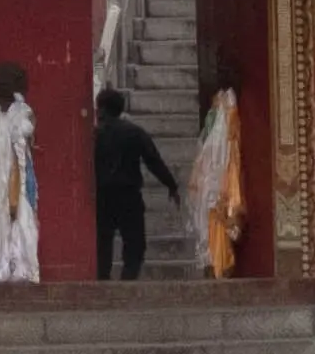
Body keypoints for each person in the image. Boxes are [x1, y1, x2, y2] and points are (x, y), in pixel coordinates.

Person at [87, 81, 180, 281]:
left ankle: (103, 282)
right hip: (129, 196)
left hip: (102, 196)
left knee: (103, 243)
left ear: (101, 109)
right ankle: (128, 281)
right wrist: (171, 185)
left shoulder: (93, 136)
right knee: (135, 243)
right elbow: (154, 162)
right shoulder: (134, 132)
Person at [0, 59, 43, 285]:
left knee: (20, 220)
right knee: (0, 219)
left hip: (16, 175)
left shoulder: (21, 112)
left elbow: (25, 139)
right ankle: (2, 265)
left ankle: (20, 267)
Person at [188, 74, 244, 280]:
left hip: (218, 176)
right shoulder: (220, 111)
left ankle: (218, 268)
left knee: (215, 223)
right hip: (215, 176)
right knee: (212, 225)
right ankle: (216, 268)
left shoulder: (226, 109)